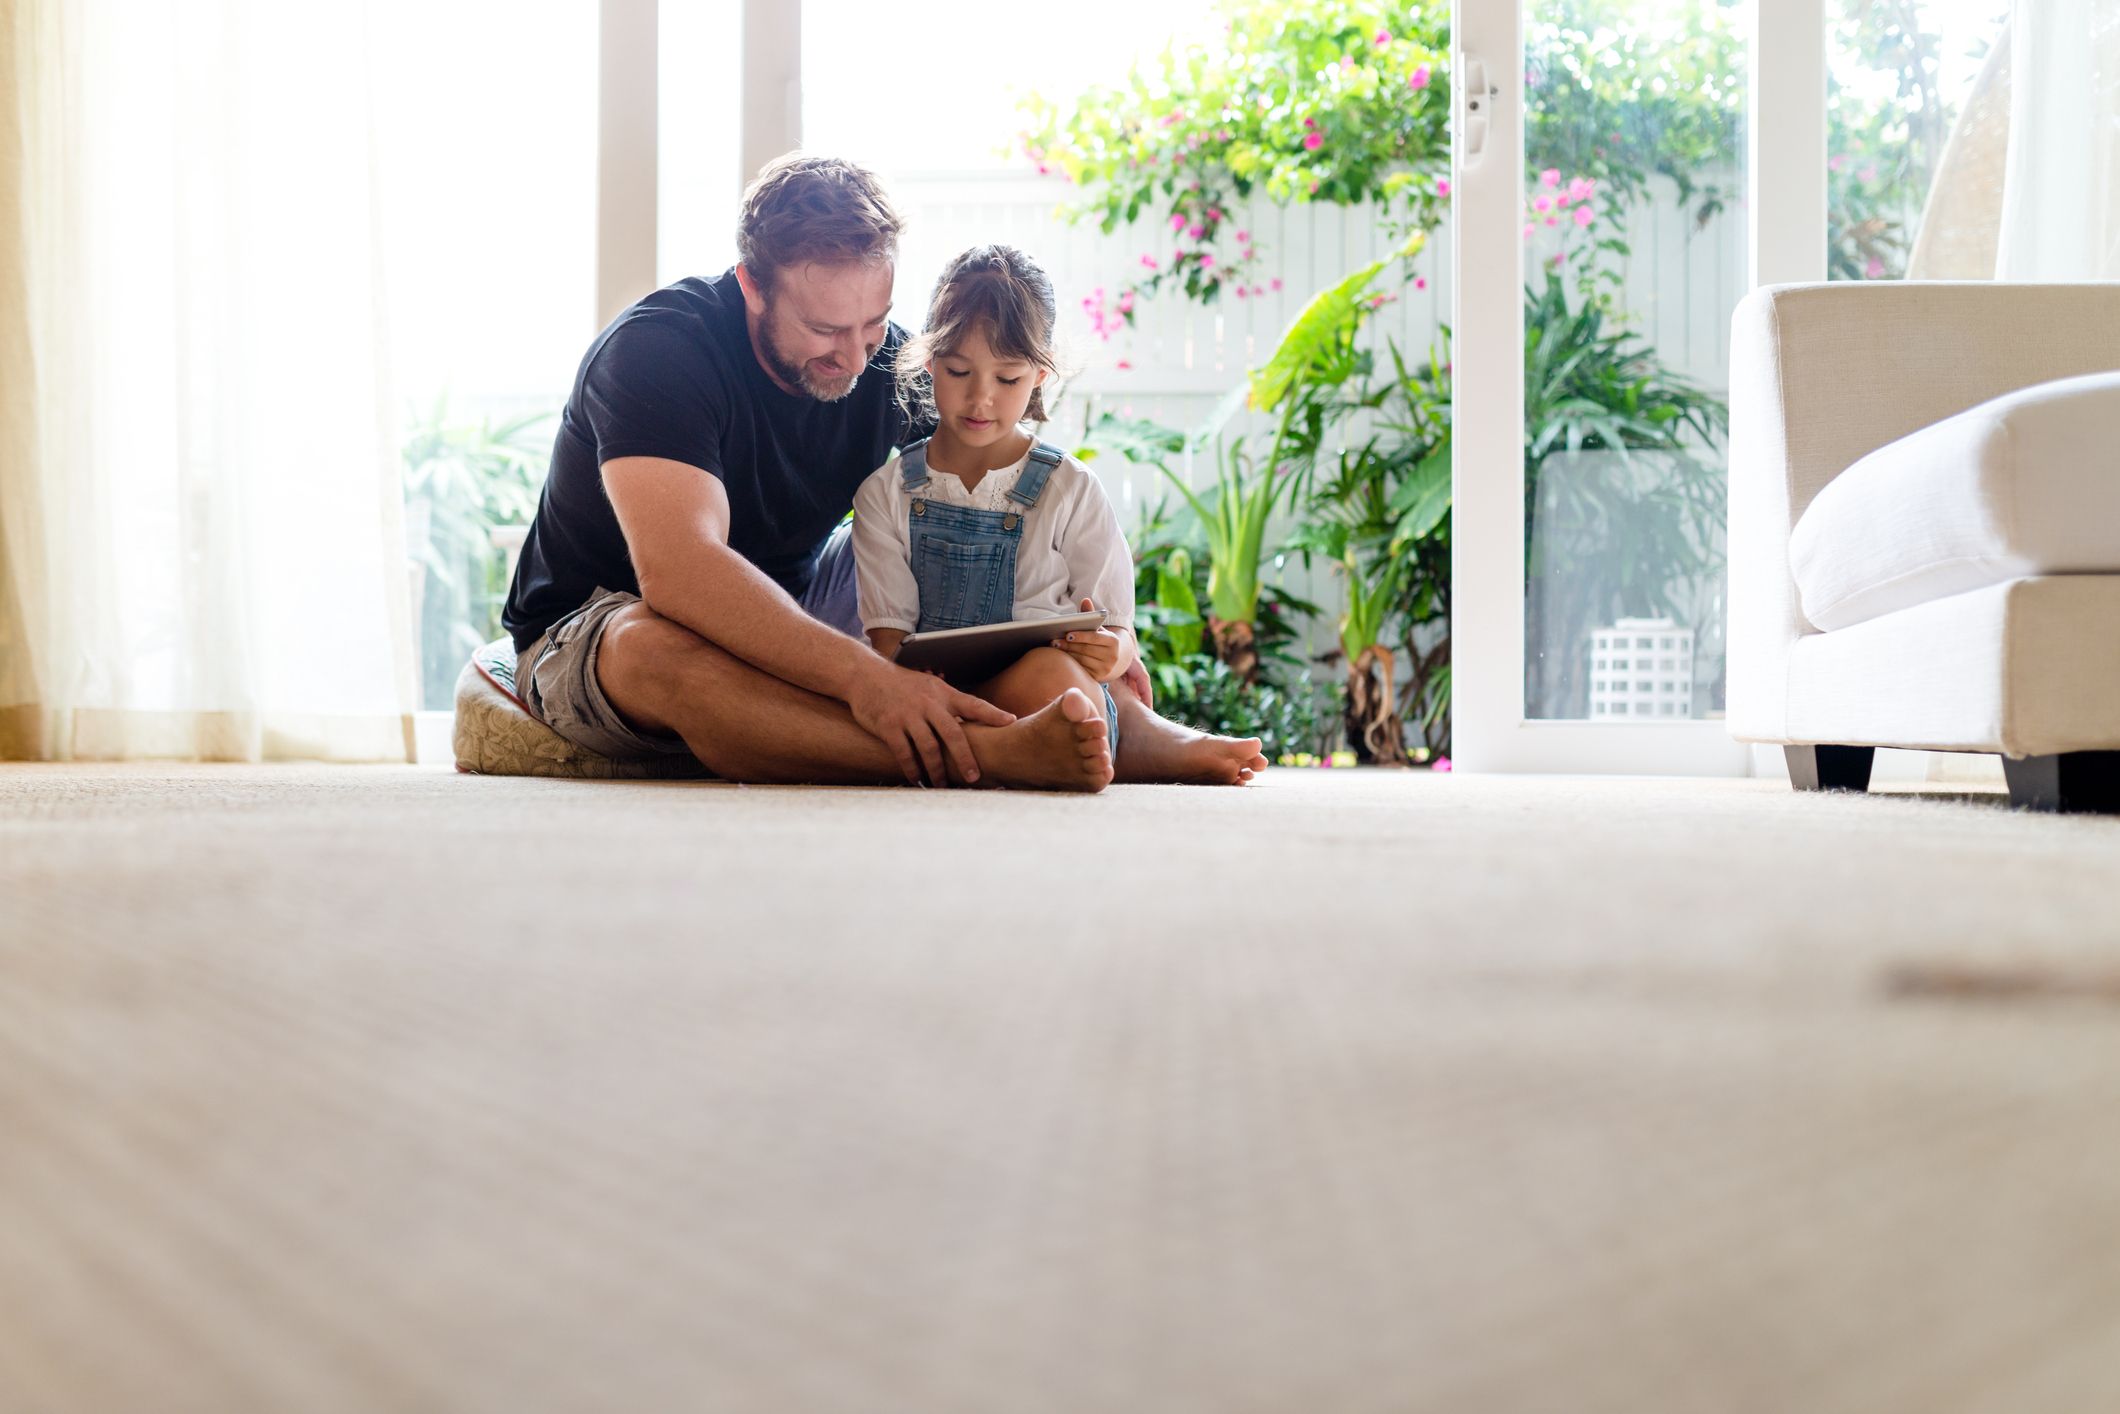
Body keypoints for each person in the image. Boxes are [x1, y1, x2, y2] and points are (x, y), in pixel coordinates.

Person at [500, 155, 1111, 791]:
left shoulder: (885, 361)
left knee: (939, 530)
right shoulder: (658, 351)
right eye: (824, 329)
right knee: (649, 646)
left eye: (873, 322)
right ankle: (990, 758)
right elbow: (679, 574)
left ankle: (1138, 734)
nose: (854, 356)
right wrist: (868, 680)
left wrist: (1100, 634)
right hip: (598, 625)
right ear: (752, 287)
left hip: (798, 600)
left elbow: (999, 493)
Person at [851, 245, 1270, 786]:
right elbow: (888, 644)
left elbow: (1119, 629)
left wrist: (1110, 650)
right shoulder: (886, 494)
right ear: (928, 361)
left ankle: (1110, 740)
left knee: (1058, 682)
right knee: (1051, 695)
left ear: (1041, 374)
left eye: (1007, 379)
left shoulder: (1069, 487)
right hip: (939, 696)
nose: (981, 399)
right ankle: (1108, 746)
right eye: (958, 371)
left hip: (1045, 682)